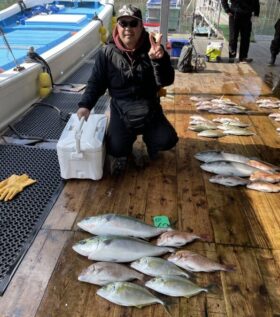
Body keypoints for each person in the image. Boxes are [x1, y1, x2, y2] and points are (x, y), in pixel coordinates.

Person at [77, 5, 178, 175]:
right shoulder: (106, 53)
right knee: (115, 149)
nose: (128, 29)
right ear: (117, 26)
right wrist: (85, 105)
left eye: (133, 23)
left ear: (141, 27)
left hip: (150, 107)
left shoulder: (154, 47)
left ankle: (150, 142)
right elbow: (96, 83)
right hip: (121, 109)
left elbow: (167, 81)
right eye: (123, 23)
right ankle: (126, 145)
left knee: (168, 140)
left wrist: (158, 61)